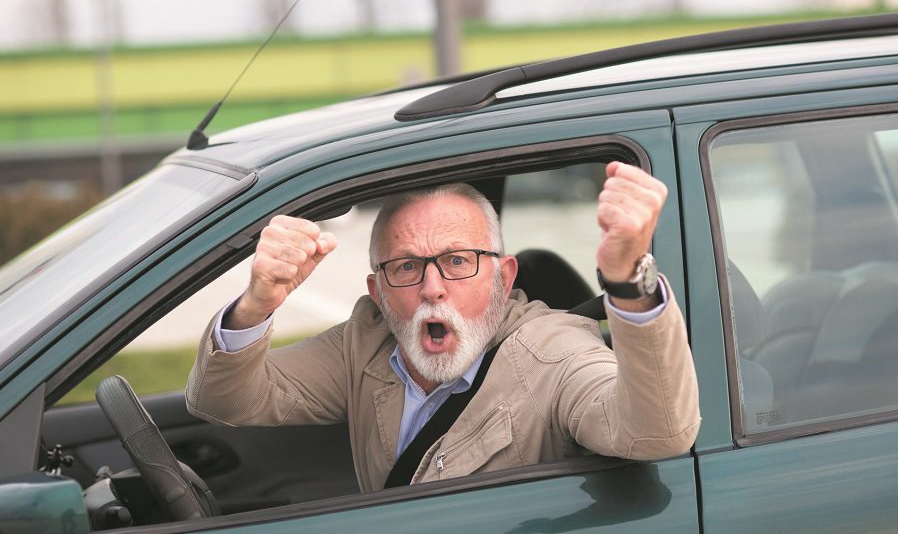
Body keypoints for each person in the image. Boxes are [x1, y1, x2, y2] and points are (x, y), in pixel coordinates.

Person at [186, 162, 700, 492]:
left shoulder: (556, 355)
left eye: (458, 261)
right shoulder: (365, 342)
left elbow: (659, 432)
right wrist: (257, 304)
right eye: (406, 266)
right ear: (378, 292)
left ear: (503, 276)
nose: (432, 287)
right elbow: (225, 400)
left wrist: (629, 279)